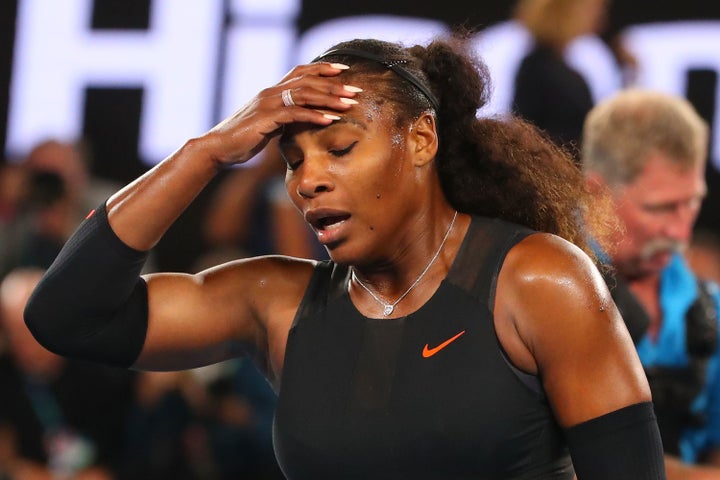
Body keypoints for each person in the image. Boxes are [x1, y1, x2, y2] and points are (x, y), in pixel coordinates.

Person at [24, 33, 665, 478]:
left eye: (339, 147)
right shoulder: (275, 303)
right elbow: (66, 317)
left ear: (419, 139)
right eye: (294, 160)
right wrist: (210, 150)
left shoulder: (537, 279)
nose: (308, 181)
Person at [581, 88, 720, 478]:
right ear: (597, 193)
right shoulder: (536, 295)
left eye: (691, 202)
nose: (679, 231)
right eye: (660, 207)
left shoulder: (712, 310)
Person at [0, 267, 136, 479]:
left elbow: (131, 443)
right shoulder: (6, 380)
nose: (28, 343)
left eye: (33, 329)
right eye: (16, 332)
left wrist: (109, 472)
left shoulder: (103, 369)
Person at [511, 0, 609, 159]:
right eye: (591, 9)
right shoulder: (540, 70)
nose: (600, 15)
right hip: (554, 173)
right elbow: (526, 133)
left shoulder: (543, 67)